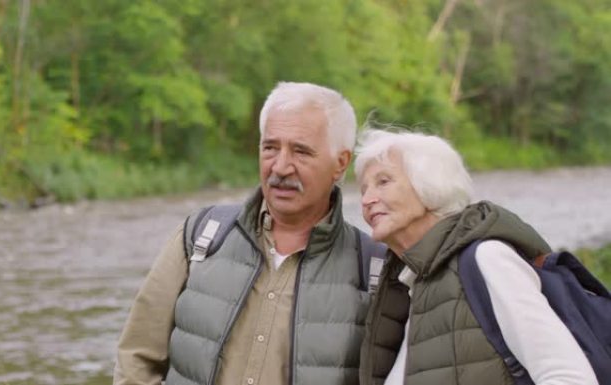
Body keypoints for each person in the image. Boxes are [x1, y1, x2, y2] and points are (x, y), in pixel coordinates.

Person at [114, 82, 383, 385]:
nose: (280, 167)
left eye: (301, 151)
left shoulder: (374, 270)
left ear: (340, 163)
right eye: (270, 147)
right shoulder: (201, 238)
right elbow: (137, 356)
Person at [355, 129, 598, 385]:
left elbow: (570, 377)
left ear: (430, 185)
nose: (367, 200)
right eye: (363, 189)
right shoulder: (414, 281)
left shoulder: (485, 259)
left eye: (383, 182)